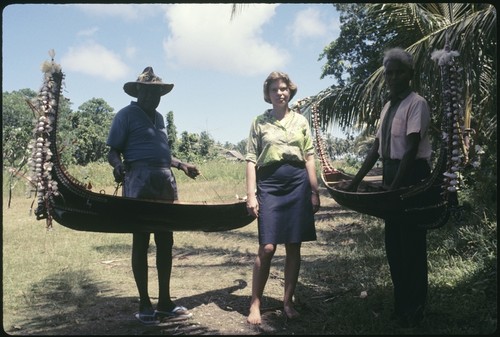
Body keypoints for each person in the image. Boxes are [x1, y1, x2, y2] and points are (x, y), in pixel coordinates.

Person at [345, 48, 432, 328]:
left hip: (413, 177)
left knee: (413, 247)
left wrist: (393, 190)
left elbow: (411, 148)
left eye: (399, 72)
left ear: (410, 74)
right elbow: (376, 149)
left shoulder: (416, 103)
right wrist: (355, 182)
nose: (393, 77)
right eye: (389, 73)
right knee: (394, 246)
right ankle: (401, 306)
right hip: (392, 176)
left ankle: (415, 310)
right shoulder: (388, 106)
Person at [106, 67, 200, 325]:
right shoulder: (126, 115)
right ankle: (145, 303)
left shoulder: (159, 119)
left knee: (165, 241)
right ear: (138, 92)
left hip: (164, 183)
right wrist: (117, 166)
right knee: (141, 240)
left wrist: (182, 166)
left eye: (157, 93)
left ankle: (166, 302)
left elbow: (161, 154)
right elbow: (113, 151)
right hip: (138, 181)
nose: (152, 97)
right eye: (147, 92)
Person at [245, 71, 321, 325]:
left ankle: (288, 302)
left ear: (290, 92)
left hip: (297, 183)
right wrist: (251, 194)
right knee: (267, 246)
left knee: (293, 245)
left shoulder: (300, 121)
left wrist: (314, 190)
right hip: (270, 184)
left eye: (284, 88)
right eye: (275, 89)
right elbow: (251, 159)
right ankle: (255, 302)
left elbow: (309, 156)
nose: (280, 93)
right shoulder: (259, 122)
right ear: (267, 94)